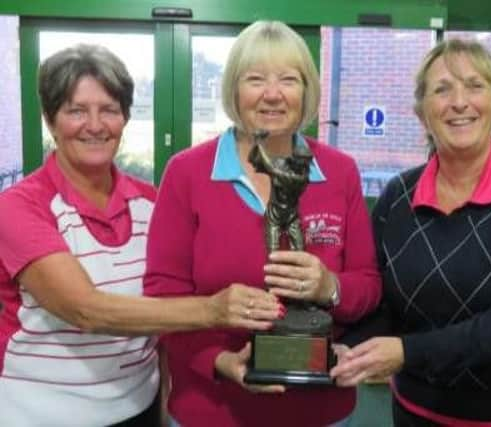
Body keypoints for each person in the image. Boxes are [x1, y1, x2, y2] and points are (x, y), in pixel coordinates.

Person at [0, 44, 281, 427]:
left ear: (125, 118)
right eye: (76, 110)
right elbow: (86, 309)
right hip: (39, 414)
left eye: (110, 110)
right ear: (50, 121)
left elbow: (163, 311)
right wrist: (212, 309)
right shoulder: (19, 207)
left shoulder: (152, 202)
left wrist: (166, 403)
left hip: (138, 408)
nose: (95, 125)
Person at [143, 20, 381, 427]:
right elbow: (163, 295)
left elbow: (369, 284)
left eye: (288, 79)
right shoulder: (187, 172)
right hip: (212, 410)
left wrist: (331, 287)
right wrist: (217, 361)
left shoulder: (339, 171)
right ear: (234, 90)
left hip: (319, 411)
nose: (273, 94)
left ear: (306, 90)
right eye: (256, 79)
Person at [331, 38, 491, 426]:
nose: (460, 102)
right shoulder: (398, 197)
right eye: (442, 89)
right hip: (414, 410)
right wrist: (343, 349)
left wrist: (407, 352)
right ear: (422, 113)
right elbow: (384, 303)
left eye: (475, 86)